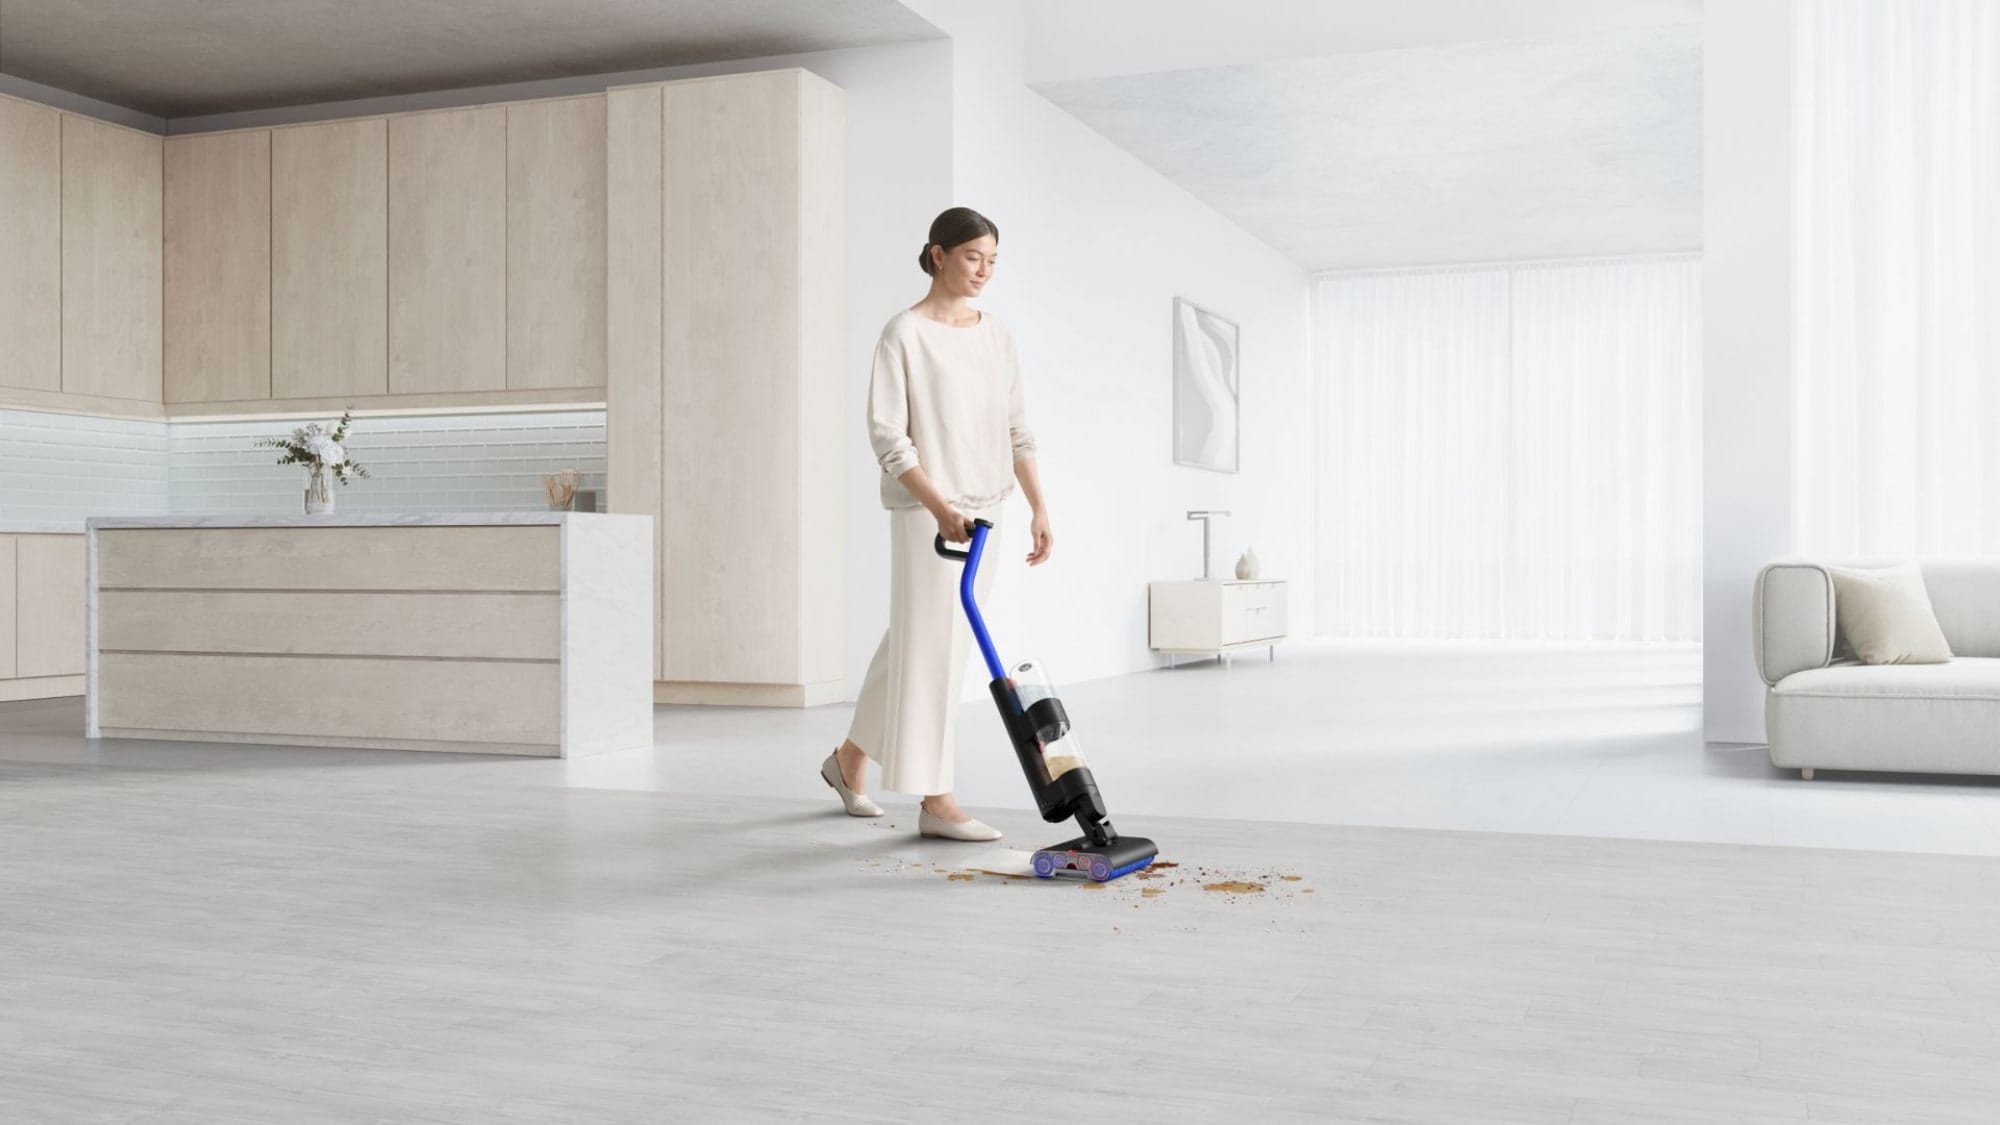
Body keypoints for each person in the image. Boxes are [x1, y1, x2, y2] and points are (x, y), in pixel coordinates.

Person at [820, 206, 1053, 842]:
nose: (983, 271)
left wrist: (1037, 505)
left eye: (993, 261)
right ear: (938, 254)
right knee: (936, 650)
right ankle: (936, 799)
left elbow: (1016, 427)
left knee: (917, 640)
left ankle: (848, 762)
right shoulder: (905, 333)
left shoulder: (996, 334)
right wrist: (937, 505)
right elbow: (889, 438)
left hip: (989, 507)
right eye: (973, 257)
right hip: (928, 513)